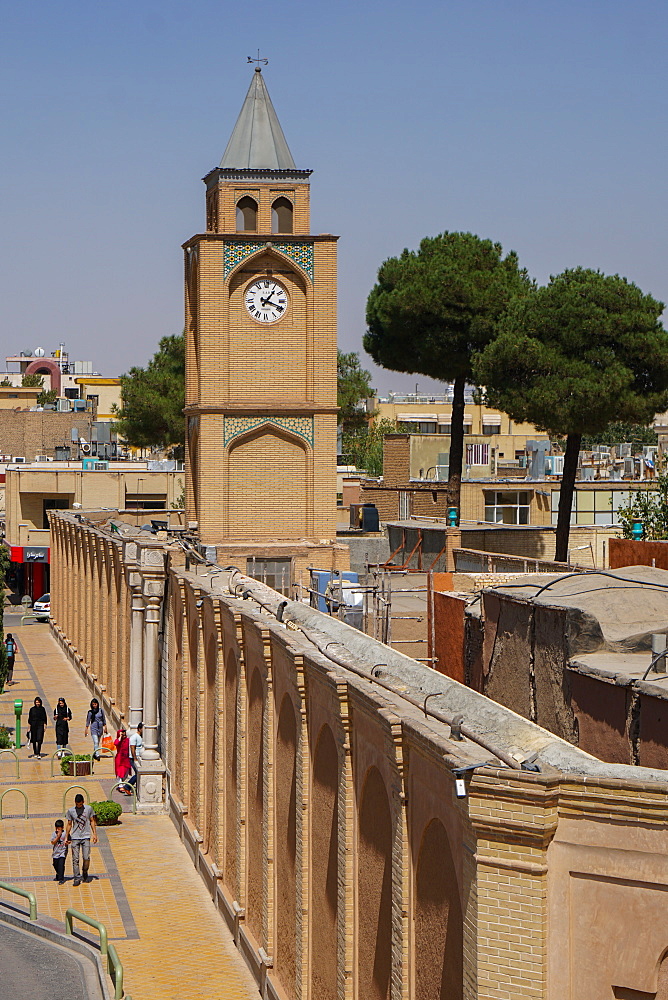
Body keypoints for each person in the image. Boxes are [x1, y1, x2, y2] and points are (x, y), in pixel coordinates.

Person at [65, 793, 97, 886]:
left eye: (80, 804)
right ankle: (77, 877)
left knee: (86, 857)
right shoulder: (71, 811)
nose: (78, 806)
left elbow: (92, 821)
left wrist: (94, 834)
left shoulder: (88, 809)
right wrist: (67, 836)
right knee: (75, 858)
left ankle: (85, 871)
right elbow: (69, 824)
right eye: (77, 804)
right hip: (75, 837)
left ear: (83, 802)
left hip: (86, 836)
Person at [114, 727, 132, 794]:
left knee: (125, 772)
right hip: (119, 759)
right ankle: (120, 785)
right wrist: (120, 738)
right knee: (120, 772)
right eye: (122, 735)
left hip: (126, 758)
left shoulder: (128, 740)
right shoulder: (118, 741)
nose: (124, 736)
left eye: (124, 734)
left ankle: (123, 784)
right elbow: (116, 743)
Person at [51, 819, 68, 885]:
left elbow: (69, 840)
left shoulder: (65, 834)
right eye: (56, 828)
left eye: (59, 828)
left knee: (61, 864)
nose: (57, 830)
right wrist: (58, 836)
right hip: (56, 852)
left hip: (62, 852)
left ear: (62, 828)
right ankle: (58, 873)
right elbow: (52, 842)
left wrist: (67, 842)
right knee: (55, 864)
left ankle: (61, 878)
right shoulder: (54, 834)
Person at [127, 722, 143, 788]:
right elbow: (132, 747)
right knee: (138, 773)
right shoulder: (134, 737)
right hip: (133, 758)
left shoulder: (141, 737)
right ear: (139, 729)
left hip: (139, 757)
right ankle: (127, 787)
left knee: (138, 773)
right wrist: (135, 758)